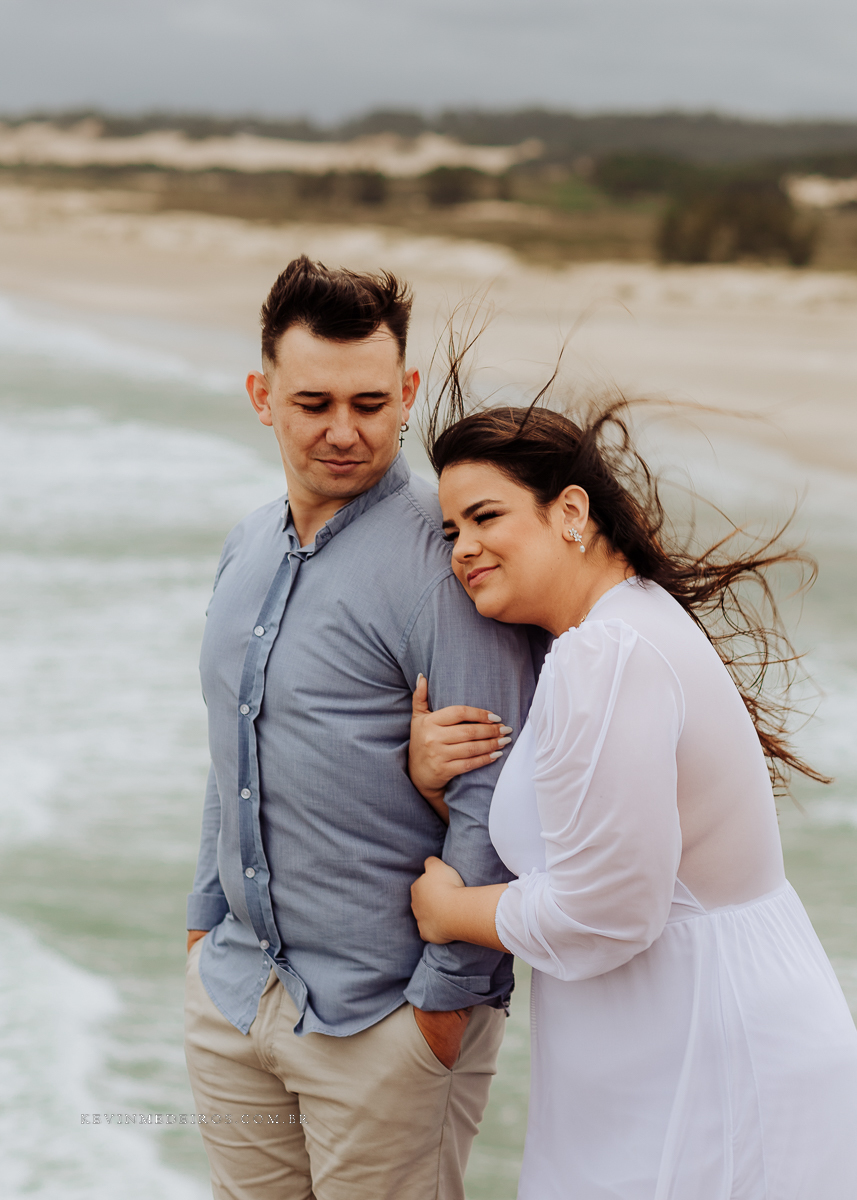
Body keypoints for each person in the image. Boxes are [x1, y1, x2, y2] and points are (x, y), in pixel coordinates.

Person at [407, 397, 857, 1199]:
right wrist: (436, 784)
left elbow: (607, 907)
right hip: (684, 1043)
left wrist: (452, 913)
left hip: (704, 1058)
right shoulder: (622, 627)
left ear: (569, 512)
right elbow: (587, 839)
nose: (463, 549)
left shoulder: (606, 652)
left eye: (484, 517)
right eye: (450, 531)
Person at [183, 257, 540, 1200]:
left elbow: (494, 796)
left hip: (385, 1021)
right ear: (263, 397)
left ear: (408, 394)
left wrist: (438, 1012)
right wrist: (200, 927)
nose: (344, 431)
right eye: (313, 403)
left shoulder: (445, 565)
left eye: (371, 403)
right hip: (236, 998)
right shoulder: (249, 541)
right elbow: (232, 750)